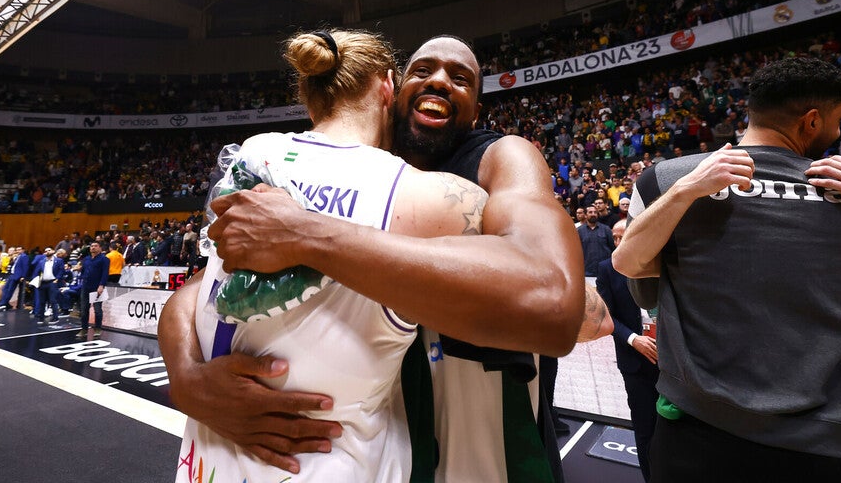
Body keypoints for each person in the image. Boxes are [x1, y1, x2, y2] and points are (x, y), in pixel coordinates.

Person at [160, 35, 597, 482]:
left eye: (461, 78)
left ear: (476, 112)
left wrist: (305, 233)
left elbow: (557, 300)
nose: (441, 81)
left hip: (488, 449)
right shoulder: (357, 170)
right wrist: (187, 377)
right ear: (394, 91)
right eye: (423, 71)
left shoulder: (500, 156)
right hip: (389, 442)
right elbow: (203, 286)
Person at [613, 58, 841, 481]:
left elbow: (637, 275)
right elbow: (627, 262)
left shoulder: (664, 178)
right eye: (838, 120)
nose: (840, 132)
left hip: (700, 438)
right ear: (811, 122)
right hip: (836, 444)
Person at [596, 219, 659, 481]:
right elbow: (606, 317)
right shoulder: (606, 269)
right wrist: (634, 339)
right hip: (635, 364)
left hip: (673, 362)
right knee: (645, 431)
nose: (619, 243)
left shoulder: (661, 260)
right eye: (615, 237)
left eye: (625, 235)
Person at [76, 240, 109, 339]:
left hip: (97, 287)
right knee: (84, 309)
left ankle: (98, 328)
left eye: (95, 246)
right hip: (86, 286)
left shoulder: (104, 259)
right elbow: (84, 271)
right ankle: (84, 329)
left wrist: (101, 285)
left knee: (97, 310)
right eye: (91, 246)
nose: (93, 248)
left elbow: (105, 273)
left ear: (100, 248)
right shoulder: (86, 259)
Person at [29, 247, 65, 323]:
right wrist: (34, 280)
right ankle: (41, 317)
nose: (47, 252)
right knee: (42, 301)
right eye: (45, 251)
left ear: (53, 251)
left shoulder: (58, 260)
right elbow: (37, 271)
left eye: (49, 250)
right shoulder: (42, 261)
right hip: (43, 282)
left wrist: (57, 279)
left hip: (52, 282)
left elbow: (61, 270)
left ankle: (55, 317)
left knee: (53, 300)